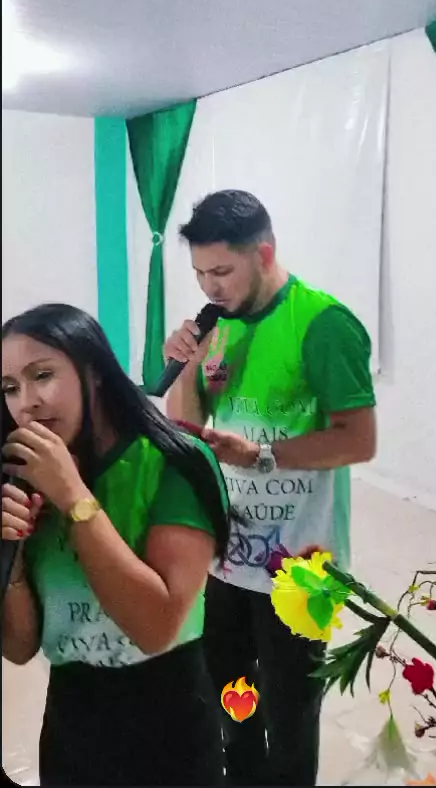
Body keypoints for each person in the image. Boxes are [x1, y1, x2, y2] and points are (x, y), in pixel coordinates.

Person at [164, 190, 377, 786]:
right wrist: (187, 361)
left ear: (264, 253)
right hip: (225, 554)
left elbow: (359, 440)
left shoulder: (323, 323)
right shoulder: (218, 325)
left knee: (290, 713)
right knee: (232, 695)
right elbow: (187, 426)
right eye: (199, 273)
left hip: (301, 565)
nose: (209, 287)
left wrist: (262, 457)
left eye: (221, 271)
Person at [1, 302, 233, 787]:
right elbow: (19, 647)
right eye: (9, 388)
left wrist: (73, 497)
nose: (27, 403)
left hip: (170, 719)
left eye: (42, 375)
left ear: (94, 372)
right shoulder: (21, 479)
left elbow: (156, 628)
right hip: (71, 719)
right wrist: (13, 556)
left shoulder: (175, 462)